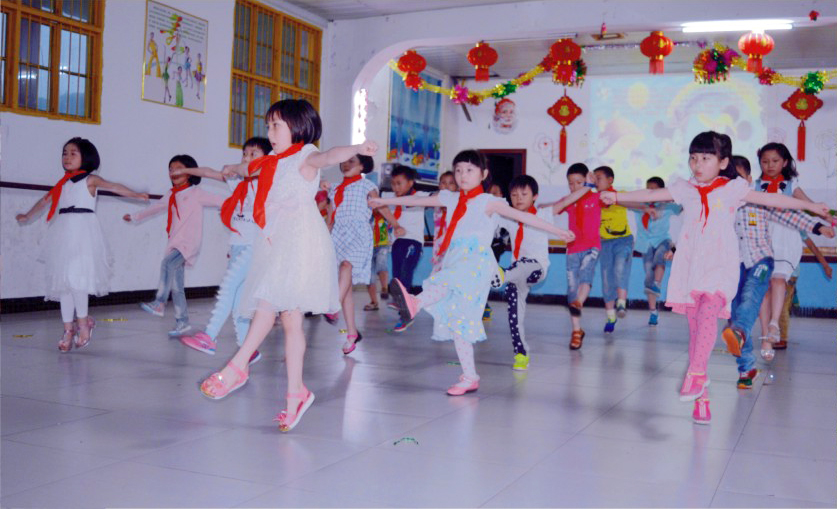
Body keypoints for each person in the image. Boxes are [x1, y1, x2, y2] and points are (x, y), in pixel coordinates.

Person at [600, 131, 829, 424]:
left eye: (706, 158)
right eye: (693, 158)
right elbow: (651, 195)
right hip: (690, 266)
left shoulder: (733, 188)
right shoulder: (685, 188)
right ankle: (702, 398)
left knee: (710, 309)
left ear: (723, 162)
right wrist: (617, 196)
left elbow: (774, 200)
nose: (697, 164)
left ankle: (694, 373)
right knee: (697, 333)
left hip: (720, 265)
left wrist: (812, 207)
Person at [199, 99, 375, 433]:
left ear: (297, 126)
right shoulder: (271, 162)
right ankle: (296, 394)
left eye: (276, 126)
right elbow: (247, 170)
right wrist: (231, 169)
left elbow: (330, 155)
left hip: (299, 241)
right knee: (290, 320)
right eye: (268, 126)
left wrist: (357, 146)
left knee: (267, 304)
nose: (270, 132)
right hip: (276, 240)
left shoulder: (305, 154)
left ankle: (238, 366)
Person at [371, 150, 574, 396]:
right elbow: (416, 200)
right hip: (455, 258)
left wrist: (558, 232)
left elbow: (524, 217)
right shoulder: (451, 198)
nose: (462, 175)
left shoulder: (489, 201)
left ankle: (415, 302)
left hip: (476, 262)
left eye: (469, 170)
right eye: (458, 170)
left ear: (483, 174)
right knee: (460, 322)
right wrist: (385, 201)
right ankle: (470, 376)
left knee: (447, 282)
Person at [16, 137, 148, 351]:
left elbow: (113, 186)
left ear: (85, 157)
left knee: (78, 281)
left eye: (73, 153)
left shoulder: (90, 180)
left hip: (83, 232)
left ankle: (83, 323)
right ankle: (68, 328)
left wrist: (135, 195)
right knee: (63, 283)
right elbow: (45, 201)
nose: (67, 157)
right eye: (64, 153)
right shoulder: (62, 183)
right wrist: (27, 216)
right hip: (64, 232)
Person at [721, 155, 833, 387]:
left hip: (761, 260)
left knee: (752, 297)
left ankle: (741, 330)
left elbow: (788, 214)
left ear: (750, 180)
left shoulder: (760, 202)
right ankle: (746, 370)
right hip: (734, 265)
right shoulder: (722, 208)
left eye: (738, 179)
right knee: (736, 311)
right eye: (727, 180)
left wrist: (817, 226)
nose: (732, 185)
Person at [178, 137, 272, 359]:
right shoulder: (239, 182)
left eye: (253, 154)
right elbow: (210, 172)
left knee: (228, 287)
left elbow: (258, 171)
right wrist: (187, 170)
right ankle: (247, 349)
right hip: (238, 245)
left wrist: (240, 168)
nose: (247, 158)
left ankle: (209, 335)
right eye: (245, 154)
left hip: (256, 245)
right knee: (238, 301)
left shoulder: (266, 180)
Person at [125, 154, 225, 336]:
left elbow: (221, 201)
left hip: (188, 243)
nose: (173, 172)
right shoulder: (171, 195)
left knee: (167, 264)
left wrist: (241, 205)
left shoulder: (196, 193)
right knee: (177, 286)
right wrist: (134, 216)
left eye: (178, 169)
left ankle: (159, 302)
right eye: (170, 169)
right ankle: (182, 322)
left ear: (189, 172)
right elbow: (154, 208)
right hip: (174, 242)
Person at [324, 154, 402, 353]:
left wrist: (395, 224)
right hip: (338, 236)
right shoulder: (334, 188)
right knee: (346, 287)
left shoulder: (367, 186)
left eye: (352, 161)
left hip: (359, 234)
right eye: (344, 160)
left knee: (347, 266)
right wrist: (324, 238)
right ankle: (352, 333)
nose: (346, 164)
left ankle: (333, 308)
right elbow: (331, 218)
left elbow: (380, 206)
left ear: (362, 166)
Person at [753, 142, 825, 355]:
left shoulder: (791, 185)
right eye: (765, 161)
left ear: (784, 162)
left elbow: (810, 206)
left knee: (779, 279)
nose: (770, 165)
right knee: (762, 289)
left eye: (775, 161)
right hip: (763, 239)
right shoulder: (754, 186)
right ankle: (767, 336)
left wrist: (825, 215)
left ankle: (775, 323)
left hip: (786, 238)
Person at [541, 163, 601, 350]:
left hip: (591, 247)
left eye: (579, 182)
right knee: (572, 288)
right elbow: (555, 208)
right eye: (571, 184)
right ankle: (576, 330)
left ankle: (579, 302)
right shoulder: (569, 200)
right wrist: (541, 207)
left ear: (587, 180)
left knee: (586, 274)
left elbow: (617, 198)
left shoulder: (597, 197)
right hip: (572, 248)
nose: (574, 187)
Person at [498, 175, 552, 370]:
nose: (518, 198)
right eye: (514, 195)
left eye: (524, 194)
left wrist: (587, 185)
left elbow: (566, 201)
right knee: (513, 315)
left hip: (536, 269)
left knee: (523, 264)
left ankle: (500, 276)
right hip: (516, 273)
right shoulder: (509, 217)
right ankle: (521, 353)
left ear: (535, 196)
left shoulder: (544, 214)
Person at [381, 165, 429, 331]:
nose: (396, 187)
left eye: (399, 183)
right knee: (396, 278)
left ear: (410, 183)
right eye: (393, 183)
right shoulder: (390, 197)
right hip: (398, 243)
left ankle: (406, 308)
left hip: (413, 242)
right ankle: (405, 314)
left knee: (405, 271)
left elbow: (438, 196)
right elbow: (379, 204)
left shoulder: (420, 196)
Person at [630, 177, 681, 325]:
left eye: (654, 189)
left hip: (662, 240)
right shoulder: (640, 205)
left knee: (660, 258)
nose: (650, 192)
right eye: (648, 189)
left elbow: (683, 207)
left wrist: (673, 197)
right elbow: (624, 203)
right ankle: (653, 311)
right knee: (648, 278)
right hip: (645, 244)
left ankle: (657, 284)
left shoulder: (666, 206)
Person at [594, 165, 634, 332]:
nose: (596, 182)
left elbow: (634, 203)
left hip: (623, 240)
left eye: (599, 179)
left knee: (620, 269)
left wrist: (615, 198)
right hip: (604, 243)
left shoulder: (620, 194)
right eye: (594, 179)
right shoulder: (593, 198)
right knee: (606, 279)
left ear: (610, 180)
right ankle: (611, 315)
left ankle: (622, 304)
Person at [431, 170, 458, 271]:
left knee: (450, 268)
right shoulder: (436, 199)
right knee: (437, 268)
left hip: (452, 242)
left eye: (451, 183)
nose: (447, 186)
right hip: (438, 242)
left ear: (457, 186)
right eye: (443, 183)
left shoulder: (458, 200)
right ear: (439, 185)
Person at [364, 210, 391, 311]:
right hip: (368, 246)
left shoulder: (385, 215)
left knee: (381, 264)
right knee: (369, 275)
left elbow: (392, 221)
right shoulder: (365, 216)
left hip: (382, 244)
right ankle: (374, 301)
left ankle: (384, 288)